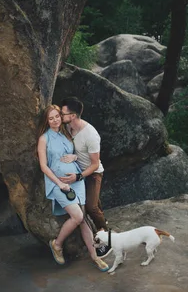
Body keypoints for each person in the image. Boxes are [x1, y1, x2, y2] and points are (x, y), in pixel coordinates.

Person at [37, 104, 109, 272]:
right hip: (58, 183)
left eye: (57, 116)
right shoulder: (44, 139)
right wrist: (59, 183)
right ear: (46, 121)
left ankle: (95, 257)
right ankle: (57, 244)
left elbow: (76, 151)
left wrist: (75, 156)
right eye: (51, 118)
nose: (55, 120)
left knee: (83, 219)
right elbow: (43, 166)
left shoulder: (66, 133)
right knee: (77, 216)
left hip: (77, 181)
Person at [59, 97, 112, 259]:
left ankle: (107, 238)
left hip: (92, 173)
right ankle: (102, 220)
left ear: (73, 116)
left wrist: (79, 176)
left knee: (91, 207)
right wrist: (74, 158)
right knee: (92, 203)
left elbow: (95, 164)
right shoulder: (68, 127)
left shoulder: (90, 135)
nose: (60, 115)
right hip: (78, 170)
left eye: (63, 113)